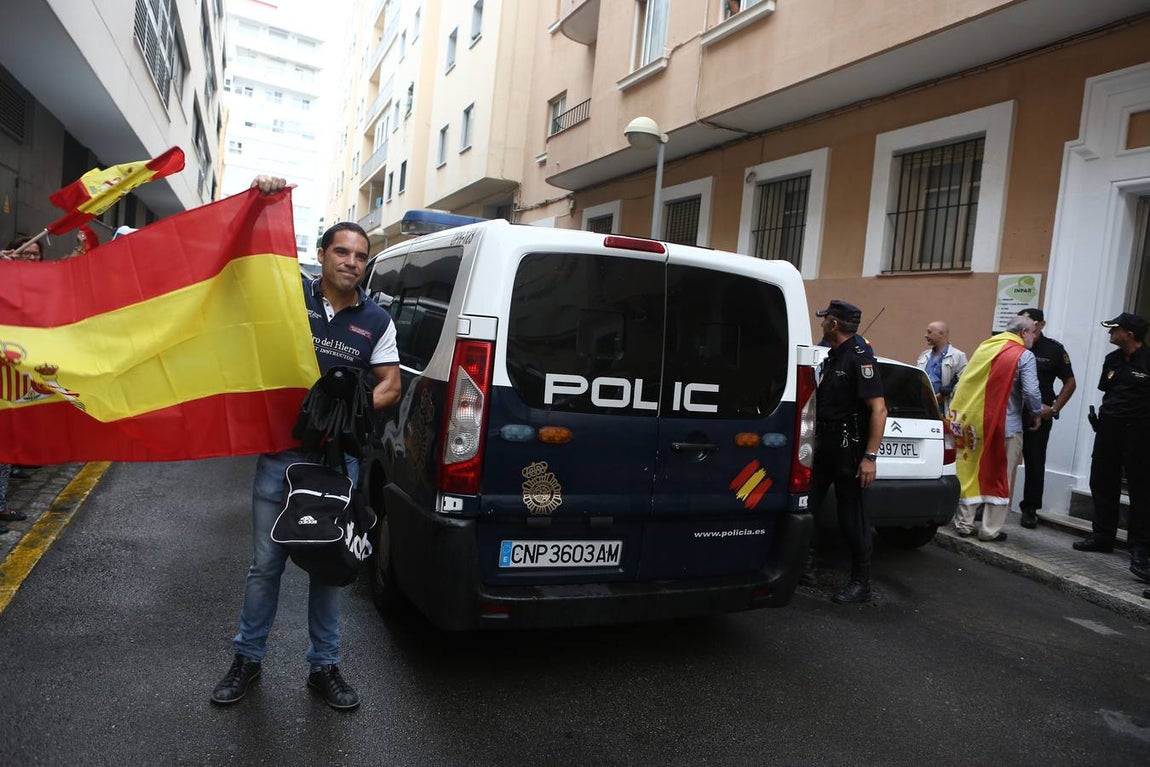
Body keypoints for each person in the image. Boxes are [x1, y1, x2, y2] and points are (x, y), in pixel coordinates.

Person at [211, 176, 401, 710]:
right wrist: (260, 202)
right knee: (265, 567)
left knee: (328, 571)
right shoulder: (290, 298)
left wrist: (352, 407)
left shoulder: (376, 319)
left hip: (336, 467)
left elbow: (391, 383)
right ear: (321, 256)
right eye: (341, 251)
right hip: (280, 457)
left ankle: (324, 669)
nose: (351, 261)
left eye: (360, 255)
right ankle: (246, 661)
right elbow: (240, 265)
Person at [806, 300, 887, 604]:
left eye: (825, 319)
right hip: (824, 446)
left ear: (834, 324)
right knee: (808, 504)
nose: (822, 323)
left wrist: (870, 457)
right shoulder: (833, 357)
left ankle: (861, 583)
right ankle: (806, 567)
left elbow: (879, 409)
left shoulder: (859, 358)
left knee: (852, 516)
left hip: (849, 451)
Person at [1072, 312, 1149, 587]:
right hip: (1108, 429)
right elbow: (1106, 389)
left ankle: (1139, 547)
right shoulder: (1112, 360)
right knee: (1102, 481)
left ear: (1129, 333)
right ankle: (1103, 536)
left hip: (1140, 434)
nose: (1109, 333)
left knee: (1141, 489)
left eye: (1114, 329)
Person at [952, 316, 1042, 541]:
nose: (1034, 337)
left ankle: (964, 524)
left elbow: (966, 381)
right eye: (1033, 332)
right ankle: (989, 530)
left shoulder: (986, 347)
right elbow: (1031, 392)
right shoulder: (1024, 355)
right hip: (1006, 425)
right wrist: (1037, 411)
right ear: (1023, 333)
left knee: (971, 470)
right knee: (999, 474)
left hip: (973, 422)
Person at [1015, 308, 1076, 529]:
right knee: (1001, 457)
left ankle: (1030, 509)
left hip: (1039, 414)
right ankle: (989, 504)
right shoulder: (1013, 344)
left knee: (1035, 460)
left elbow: (1070, 382)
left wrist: (1054, 408)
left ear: (1040, 324)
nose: (1023, 324)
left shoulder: (1054, 350)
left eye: (1028, 320)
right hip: (1012, 411)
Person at [915, 321, 967, 414]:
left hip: (944, 410)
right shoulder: (924, 355)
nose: (926, 335)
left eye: (929, 332)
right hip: (923, 408)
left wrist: (944, 394)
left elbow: (963, 383)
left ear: (941, 334)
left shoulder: (958, 356)